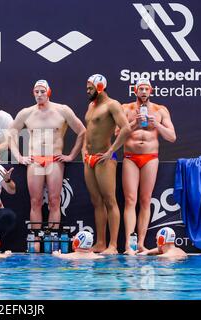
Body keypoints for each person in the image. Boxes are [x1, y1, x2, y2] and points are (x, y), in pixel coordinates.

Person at [10, 80, 86, 251]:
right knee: (35, 201)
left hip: (54, 160)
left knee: (54, 200)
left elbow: (82, 131)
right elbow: (11, 133)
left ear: (49, 92)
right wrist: (19, 156)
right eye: (36, 91)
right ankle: (36, 239)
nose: (39, 95)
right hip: (35, 160)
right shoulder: (26, 113)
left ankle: (52, 238)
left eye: (42, 91)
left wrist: (72, 155)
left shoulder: (62, 110)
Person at [121, 79, 176, 255]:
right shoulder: (126, 109)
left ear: (150, 91)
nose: (143, 91)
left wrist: (157, 124)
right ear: (135, 91)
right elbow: (117, 134)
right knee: (130, 200)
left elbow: (172, 137)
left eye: (146, 88)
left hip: (150, 157)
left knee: (145, 200)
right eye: (140, 88)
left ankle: (141, 244)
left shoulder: (160, 110)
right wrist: (134, 123)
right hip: (130, 157)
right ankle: (129, 244)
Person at [83, 74, 131, 255]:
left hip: (105, 159)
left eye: (90, 88)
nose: (87, 91)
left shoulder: (112, 105)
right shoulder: (91, 106)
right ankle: (100, 242)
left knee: (110, 201)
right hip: (89, 159)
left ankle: (113, 245)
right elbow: (89, 131)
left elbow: (126, 128)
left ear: (100, 87)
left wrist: (111, 150)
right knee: (96, 202)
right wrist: (83, 151)